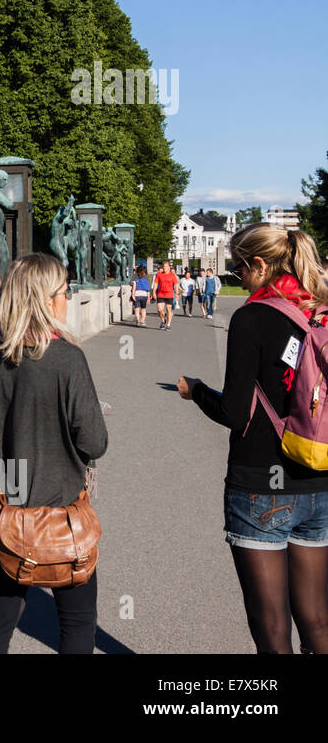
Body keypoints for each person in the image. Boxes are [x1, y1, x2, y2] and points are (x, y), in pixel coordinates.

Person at [176, 224, 328, 653]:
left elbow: (236, 413)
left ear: (259, 264)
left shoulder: (252, 317)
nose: (238, 278)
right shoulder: (321, 309)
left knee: (272, 628)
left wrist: (196, 391)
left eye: (239, 268)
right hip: (318, 476)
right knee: (318, 620)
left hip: (261, 483)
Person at [0, 254, 108, 654]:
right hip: (63, 512)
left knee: (0, 617)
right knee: (78, 622)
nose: (67, 299)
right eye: (64, 292)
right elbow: (94, 443)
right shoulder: (67, 359)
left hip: (7, 511)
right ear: (45, 299)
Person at [153, 263, 178, 330]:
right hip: (160, 294)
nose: (164, 268)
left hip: (169, 294)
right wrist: (154, 292)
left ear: (169, 267)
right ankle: (163, 321)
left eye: (166, 266)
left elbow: (176, 285)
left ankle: (168, 325)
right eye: (164, 266)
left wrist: (177, 293)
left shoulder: (172, 275)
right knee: (159, 309)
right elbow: (155, 284)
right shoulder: (159, 274)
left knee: (168, 309)